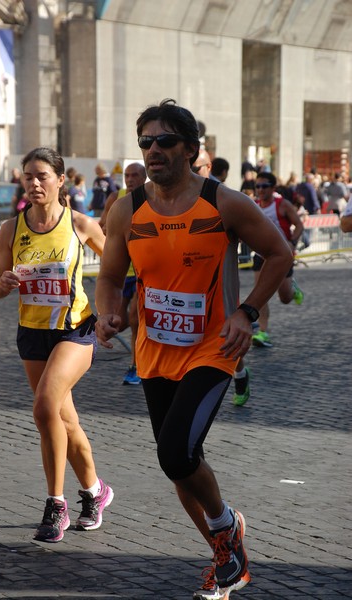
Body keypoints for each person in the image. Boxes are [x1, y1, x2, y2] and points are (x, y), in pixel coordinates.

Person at [95, 99, 293, 600]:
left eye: (164, 141)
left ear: (190, 148)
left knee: (175, 451)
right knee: (179, 463)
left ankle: (226, 528)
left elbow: (279, 254)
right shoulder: (129, 207)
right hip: (154, 350)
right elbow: (111, 276)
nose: (153, 150)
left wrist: (247, 312)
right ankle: (226, 558)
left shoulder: (223, 202)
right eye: (145, 141)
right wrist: (108, 313)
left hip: (213, 347)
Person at [0, 147, 113, 543]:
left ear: (61, 180)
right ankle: (96, 492)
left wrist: (115, 311)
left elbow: (116, 267)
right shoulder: (11, 228)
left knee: (44, 407)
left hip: (74, 331)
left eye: (42, 175)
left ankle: (56, 504)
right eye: (28, 176)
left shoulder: (80, 224)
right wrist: (4, 283)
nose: (34, 183)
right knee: (64, 419)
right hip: (32, 331)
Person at [193, 154, 250, 406]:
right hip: (183, 289)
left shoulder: (224, 197)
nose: (190, 172)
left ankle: (240, 374)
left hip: (219, 287)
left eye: (195, 168)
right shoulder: (170, 195)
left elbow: (272, 248)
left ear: (209, 167)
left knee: (227, 340)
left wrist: (250, 310)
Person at [100, 162, 147, 385]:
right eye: (127, 175)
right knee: (119, 321)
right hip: (121, 270)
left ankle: (136, 367)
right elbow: (102, 225)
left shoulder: (152, 197)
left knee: (135, 319)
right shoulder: (115, 198)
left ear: (144, 177)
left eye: (135, 175)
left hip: (141, 269)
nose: (130, 179)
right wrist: (111, 231)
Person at [251, 172, 304, 348]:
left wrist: (292, 242)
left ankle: (293, 289)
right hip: (261, 255)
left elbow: (299, 225)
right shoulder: (253, 205)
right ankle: (262, 332)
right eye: (257, 186)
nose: (260, 190)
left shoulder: (282, 205)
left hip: (281, 256)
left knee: (285, 298)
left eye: (264, 186)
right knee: (260, 294)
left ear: (273, 188)